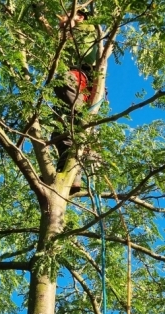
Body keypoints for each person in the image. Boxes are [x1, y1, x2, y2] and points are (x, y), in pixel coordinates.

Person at [51, 9, 99, 194]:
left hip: (82, 78)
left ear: (81, 16)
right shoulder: (68, 36)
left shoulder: (88, 28)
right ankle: (69, 176)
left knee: (63, 80)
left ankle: (83, 125)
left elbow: (88, 57)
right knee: (59, 130)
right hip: (74, 84)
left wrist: (72, 25)